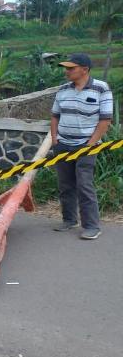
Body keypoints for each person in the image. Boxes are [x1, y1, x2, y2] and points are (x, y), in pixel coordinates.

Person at [50, 53, 113, 240]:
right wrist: (55, 139)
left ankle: (92, 226)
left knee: (84, 184)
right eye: (66, 68)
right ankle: (69, 220)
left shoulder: (101, 88)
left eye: (71, 68)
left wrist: (91, 144)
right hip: (62, 145)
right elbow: (55, 116)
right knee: (65, 185)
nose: (66, 71)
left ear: (84, 69)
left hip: (86, 146)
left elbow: (105, 120)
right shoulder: (62, 90)